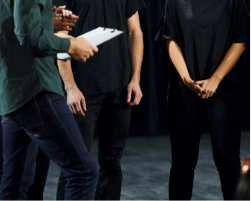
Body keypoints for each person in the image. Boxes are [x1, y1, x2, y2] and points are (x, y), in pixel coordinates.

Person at [0, 0, 100, 200]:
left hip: (12, 95)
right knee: (84, 172)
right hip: (37, 88)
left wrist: (46, 21)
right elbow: (27, 35)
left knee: (16, 183)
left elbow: (10, 27)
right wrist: (70, 45)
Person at [155, 0, 249, 201]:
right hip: (185, 88)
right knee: (182, 163)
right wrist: (186, 78)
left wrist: (215, 79)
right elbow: (169, 39)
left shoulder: (233, 2)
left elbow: (241, 39)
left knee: (228, 162)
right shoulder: (175, 2)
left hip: (224, 88)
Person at [51, 0, 146, 200]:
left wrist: (135, 78)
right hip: (82, 90)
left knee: (112, 163)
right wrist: (70, 87)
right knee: (75, 165)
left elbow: (135, 31)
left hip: (120, 89)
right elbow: (61, 37)